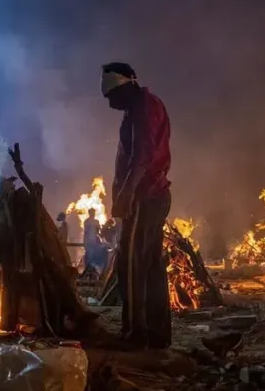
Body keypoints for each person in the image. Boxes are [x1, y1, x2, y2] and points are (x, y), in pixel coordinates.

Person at [102, 61, 173, 349]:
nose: (109, 104)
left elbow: (142, 157)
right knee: (151, 266)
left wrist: (126, 195)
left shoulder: (143, 108)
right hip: (151, 196)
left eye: (112, 96)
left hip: (144, 199)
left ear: (126, 87)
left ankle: (136, 334)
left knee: (131, 266)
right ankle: (157, 334)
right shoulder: (138, 108)